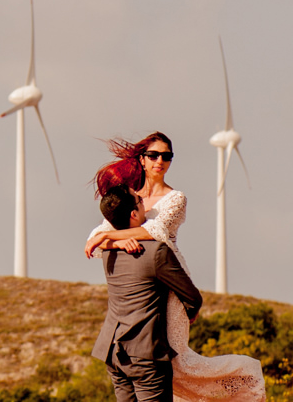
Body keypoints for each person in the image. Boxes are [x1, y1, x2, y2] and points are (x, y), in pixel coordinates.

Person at [86, 133, 265, 402]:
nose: (161, 161)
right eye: (154, 155)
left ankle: (242, 380)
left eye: (167, 156)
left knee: (177, 360)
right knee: (157, 360)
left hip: (170, 278)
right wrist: (114, 241)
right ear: (142, 160)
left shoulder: (175, 198)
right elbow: (93, 243)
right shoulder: (129, 196)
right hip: (145, 275)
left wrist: (108, 236)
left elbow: (154, 232)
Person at [93, 184, 203, 402]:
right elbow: (192, 297)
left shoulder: (108, 251)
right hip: (145, 354)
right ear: (134, 214)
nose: (146, 203)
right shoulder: (156, 252)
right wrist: (190, 312)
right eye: (140, 200)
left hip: (112, 350)